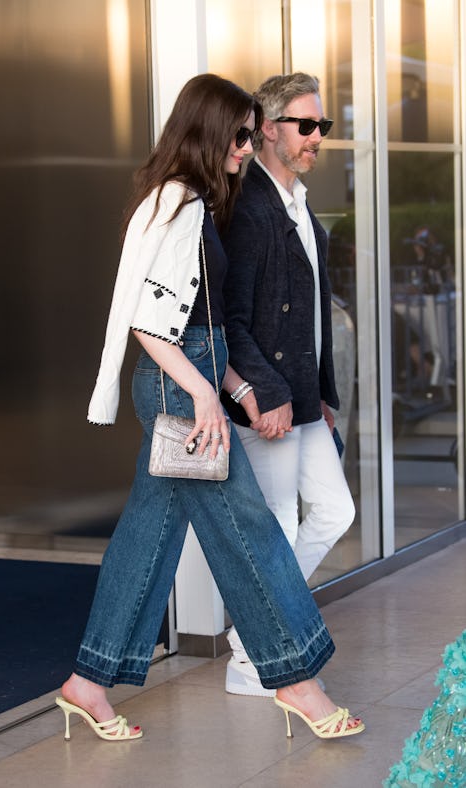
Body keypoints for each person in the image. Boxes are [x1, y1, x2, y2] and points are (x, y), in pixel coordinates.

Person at [56, 73, 364, 743]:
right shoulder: (179, 204)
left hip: (188, 380)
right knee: (249, 531)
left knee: (148, 539)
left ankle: (87, 682)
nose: (249, 147)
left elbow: (204, 323)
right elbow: (152, 323)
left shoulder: (191, 201)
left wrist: (234, 384)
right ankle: (296, 681)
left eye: (255, 135)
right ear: (207, 129)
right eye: (242, 134)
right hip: (178, 390)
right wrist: (205, 395)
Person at [220, 73, 356, 697]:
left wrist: (321, 394)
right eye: (306, 126)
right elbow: (233, 322)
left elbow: (315, 316)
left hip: (302, 398)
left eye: (321, 126)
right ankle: (255, 658)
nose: (317, 138)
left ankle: (255, 634)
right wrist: (264, 393)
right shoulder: (248, 210)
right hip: (269, 401)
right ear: (268, 129)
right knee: (273, 524)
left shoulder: (298, 205)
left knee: (334, 510)